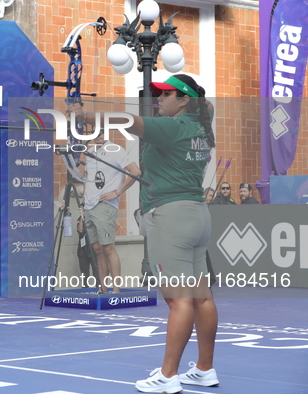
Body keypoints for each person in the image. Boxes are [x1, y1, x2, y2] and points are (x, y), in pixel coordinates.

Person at [70, 73, 219, 393]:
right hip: (197, 214)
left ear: (184, 101)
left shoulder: (171, 128)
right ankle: (205, 369)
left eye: (167, 94)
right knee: (201, 297)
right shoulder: (202, 126)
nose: (159, 99)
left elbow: (127, 120)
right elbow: (204, 103)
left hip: (171, 218)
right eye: (159, 94)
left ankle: (167, 376)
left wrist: (84, 117)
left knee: (178, 301)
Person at [81, 131, 140, 294]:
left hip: (105, 204)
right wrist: (85, 199)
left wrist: (118, 191)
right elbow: (87, 175)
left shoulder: (116, 150)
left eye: (102, 132)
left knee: (108, 248)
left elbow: (135, 172)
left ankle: (116, 289)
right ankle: (102, 288)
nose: (98, 135)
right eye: (95, 132)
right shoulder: (90, 152)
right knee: (98, 249)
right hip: (90, 206)